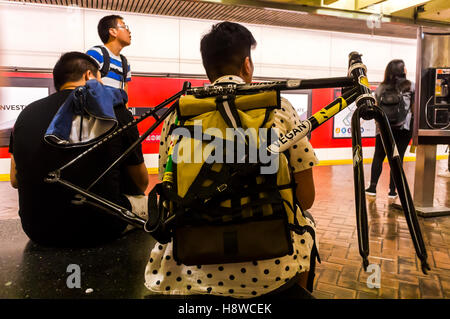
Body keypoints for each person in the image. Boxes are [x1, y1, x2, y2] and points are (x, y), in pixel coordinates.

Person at [144, 22, 319, 299]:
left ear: (208, 68)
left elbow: (167, 186)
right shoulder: (279, 107)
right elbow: (306, 198)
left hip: (190, 265)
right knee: (307, 223)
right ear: (247, 64)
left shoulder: (179, 115)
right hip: (273, 269)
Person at [9, 52, 148, 247]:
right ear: (89, 76)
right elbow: (141, 182)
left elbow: (15, 180)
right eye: (100, 78)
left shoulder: (25, 115)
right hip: (103, 228)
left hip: (37, 230)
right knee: (149, 204)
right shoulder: (116, 110)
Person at [366, 59, 414, 199]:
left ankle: (372, 188)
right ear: (402, 70)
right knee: (398, 159)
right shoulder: (411, 86)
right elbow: (414, 108)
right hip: (404, 128)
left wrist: (379, 126)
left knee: (379, 156)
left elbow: (376, 107)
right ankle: (393, 191)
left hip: (383, 128)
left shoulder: (381, 87)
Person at [86, 15, 132, 93]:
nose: (129, 31)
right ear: (113, 32)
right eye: (124, 26)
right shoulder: (96, 53)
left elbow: (125, 91)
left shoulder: (125, 63)